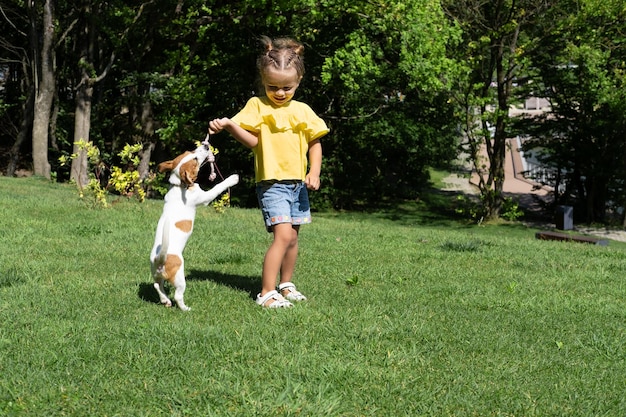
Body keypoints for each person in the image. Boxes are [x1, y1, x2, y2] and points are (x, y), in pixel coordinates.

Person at [209, 36, 329, 308]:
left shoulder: (303, 110)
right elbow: (254, 142)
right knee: (283, 235)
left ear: (298, 82)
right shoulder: (257, 106)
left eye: (287, 87)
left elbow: (315, 143)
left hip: (297, 184)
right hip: (272, 183)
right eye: (272, 86)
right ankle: (266, 292)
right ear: (263, 81)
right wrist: (230, 125)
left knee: (293, 237)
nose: (280, 93)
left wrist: (315, 172)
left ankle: (285, 285)